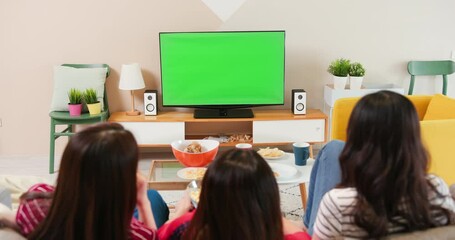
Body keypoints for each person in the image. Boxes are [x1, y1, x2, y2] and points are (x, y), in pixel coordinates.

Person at [304, 91, 455, 239]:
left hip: (331, 223)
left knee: (332, 148)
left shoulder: (339, 203)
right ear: (413, 142)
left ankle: (305, 224)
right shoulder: (436, 188)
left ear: (356, 140)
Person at [3, 123, 170, 239]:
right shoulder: (137, 235)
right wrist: (142, 201)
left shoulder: (33, 205)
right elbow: (150, 235)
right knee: (153, 196)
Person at [158, 148, 311, 240]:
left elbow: (159, 236)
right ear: (269, 195)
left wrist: (178, 213)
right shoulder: (295, 236)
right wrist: (274, 216)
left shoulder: (186, 227)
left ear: (208, 196)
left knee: (154, 199)